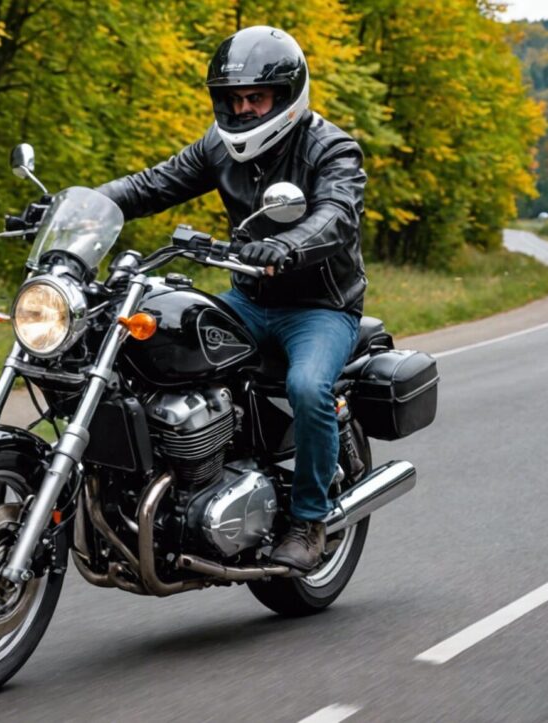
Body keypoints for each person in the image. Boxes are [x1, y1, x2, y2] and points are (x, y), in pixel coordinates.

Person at [94, 25, 368, 571]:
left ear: (286, 97)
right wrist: (81, 204)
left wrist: (287, 246)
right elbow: (153, 184)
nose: (243, 110)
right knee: (150, 347)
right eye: (233, 99)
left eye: (255, 98)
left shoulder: (331, 148)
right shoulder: (219, 147)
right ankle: (186, 483)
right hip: (249, 297)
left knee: (308, 387)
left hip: (320, 307)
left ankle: (309, 519)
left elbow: (336, 216)